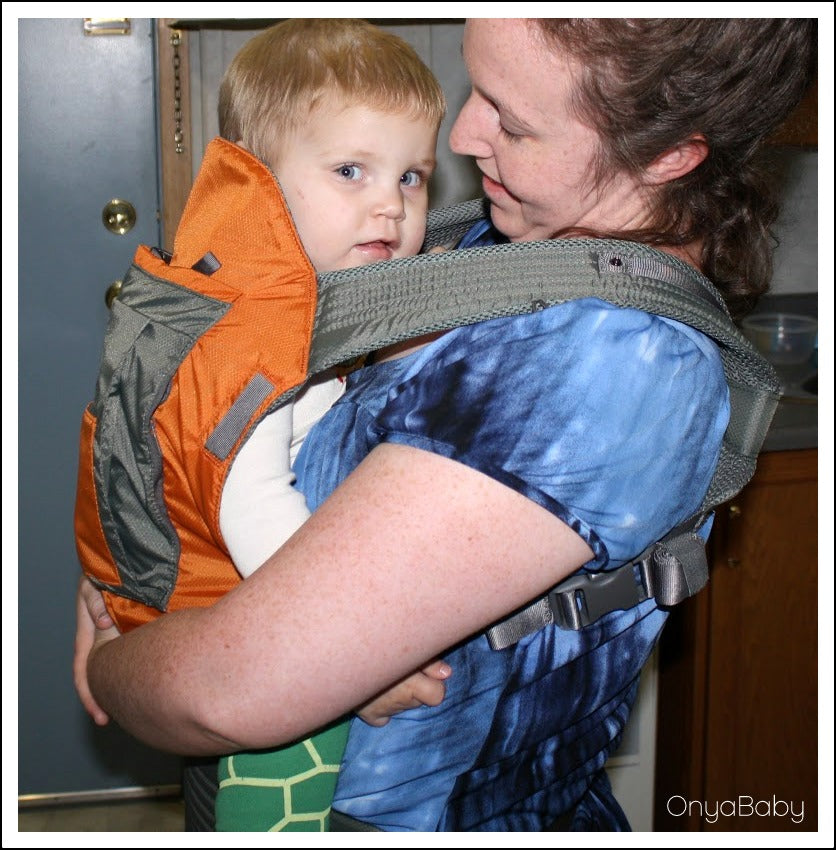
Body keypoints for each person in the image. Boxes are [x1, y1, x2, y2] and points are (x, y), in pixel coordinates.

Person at [75, 18, 816, 831]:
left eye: (511, 118)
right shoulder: (501, 250)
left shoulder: (607, 364)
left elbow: (227, 695)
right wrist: (154, 544)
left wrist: (117, 660)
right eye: (475, 92)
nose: (463, 135)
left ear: (670, 153)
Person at [74, 18, 451, 832]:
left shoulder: (257, 281)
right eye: (352, 170)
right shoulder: (252, 332)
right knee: (278, 800)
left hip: (200, 599)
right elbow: (254, 511)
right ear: (263, 181)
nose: (390, 202)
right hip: (233, 622)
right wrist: (355, 656)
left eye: (414, 176)